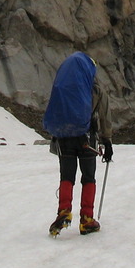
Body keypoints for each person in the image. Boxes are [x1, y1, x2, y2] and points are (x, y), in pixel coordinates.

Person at [42, 50, 114, 235]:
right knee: (88, 177)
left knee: (67, 176)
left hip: (64, 137)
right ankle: (87, 219)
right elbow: (104, 115)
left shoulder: (64, 86)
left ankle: (64, 211)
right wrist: (107, 142)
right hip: (87, 138)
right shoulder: (95, 86)